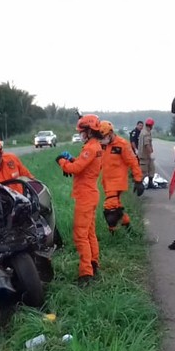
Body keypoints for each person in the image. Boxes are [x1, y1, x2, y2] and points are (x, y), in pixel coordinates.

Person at [57, 115, 104, 286]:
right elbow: (82, 165)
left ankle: (86, 273)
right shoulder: (95, 146)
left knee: (80, 235)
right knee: (90, 233)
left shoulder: (91, 148)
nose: (80, 134)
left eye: (82, 131)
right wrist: (71, 159)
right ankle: (93, 263)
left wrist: (62, 161)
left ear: (89, 131)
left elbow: (76, 169)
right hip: (90, 194)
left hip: (86, 196)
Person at [99, 120, 144, 232]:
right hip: (106, 182)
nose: (102, 139)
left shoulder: (122, 145)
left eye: (103, 136)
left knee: (110, 209)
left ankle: (112, 232)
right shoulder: (102, 145)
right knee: (117, 208)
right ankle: (128, 227)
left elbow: (133, 162)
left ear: (110, 133)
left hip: (118, 183)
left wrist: (138, 180)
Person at [139, 118, 156, 188]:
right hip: (144, 156)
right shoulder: (146, 133)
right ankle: (138, 186)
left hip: (145, 156)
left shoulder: (144, 131)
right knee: (143, 172)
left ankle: (150, 183)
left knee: (152, 168)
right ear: (151, 126)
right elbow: (147, 145)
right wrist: (150, 153)